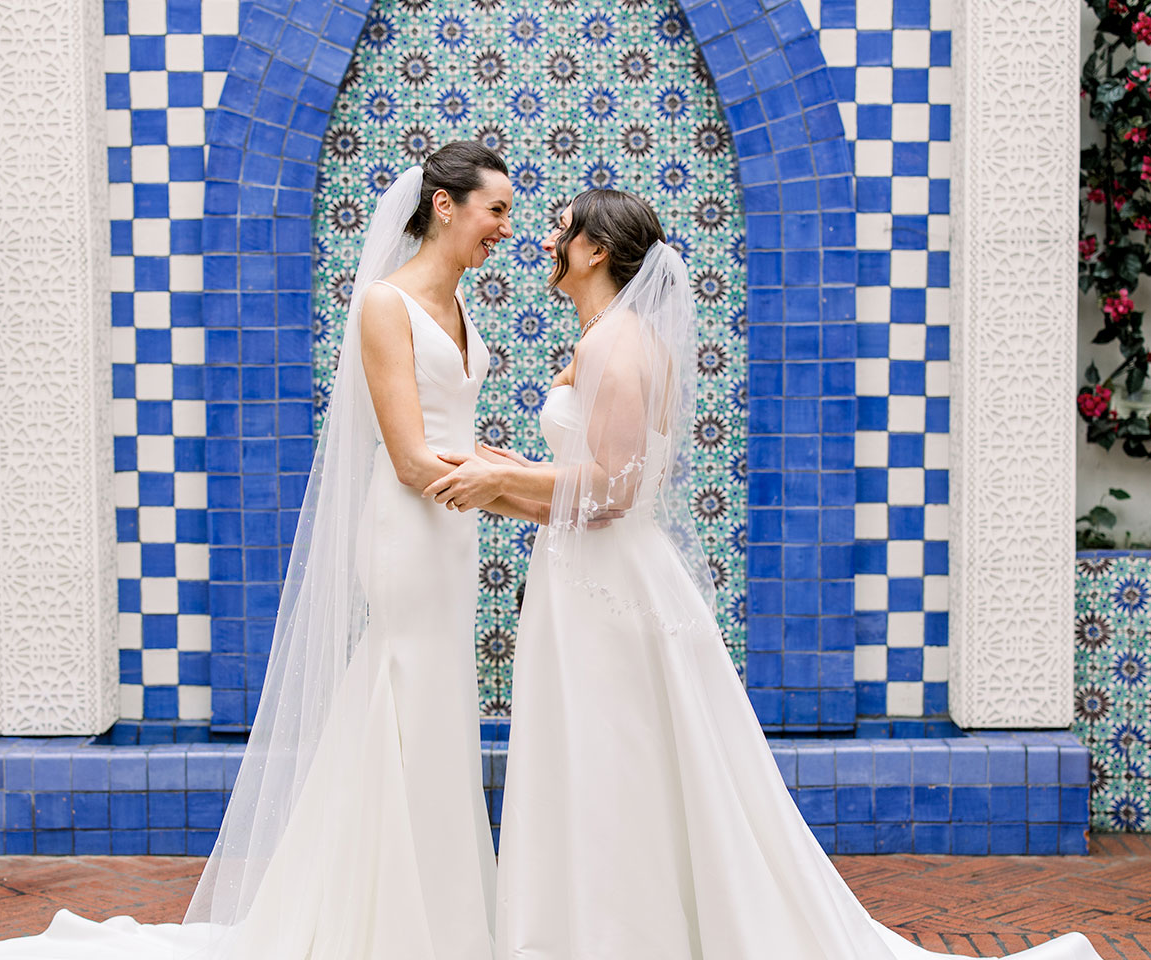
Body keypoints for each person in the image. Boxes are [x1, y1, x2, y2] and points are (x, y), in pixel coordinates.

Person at [424, 189, 1103, 960]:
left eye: (562, 228)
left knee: (613, 757)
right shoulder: (614, 336)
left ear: (596, 250)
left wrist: (501, 483)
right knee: (601, 754)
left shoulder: (618, 343)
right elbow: (592, 483)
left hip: (605, 588)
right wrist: (503, 478)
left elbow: (611, 493)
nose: (549, 239)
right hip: (590, 574)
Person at [0, 142, 520, 960]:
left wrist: (509, 474)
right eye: (497, 209)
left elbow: (451, 434)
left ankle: (437, 911)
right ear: (447, 205)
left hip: (453, 534)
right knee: (405, 698)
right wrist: (524, 495)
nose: (506, 227)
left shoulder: (458, 305)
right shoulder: (386, 304)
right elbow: (410, 458)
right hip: (409, 529)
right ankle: (387, 921)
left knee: (439, 707)